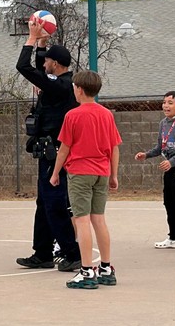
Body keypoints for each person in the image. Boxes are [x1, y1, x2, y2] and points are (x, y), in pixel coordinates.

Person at [14, 14, 81, 272]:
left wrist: (31, 39)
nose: (45, 64)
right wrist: (42, 44)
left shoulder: (62, 87)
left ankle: (71, 252)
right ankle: (42, 252)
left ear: (56, 63)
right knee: (43, 202)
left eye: (48, 60)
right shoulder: (60, 81)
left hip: (56, 152)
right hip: (47, 149)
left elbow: (25, 68)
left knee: (53, 203)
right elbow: (42, 70)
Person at [49, 70, 121, 289]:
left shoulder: (73, 115)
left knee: (81, 220)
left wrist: (54, 173)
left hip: (80, 172)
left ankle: (87, 270)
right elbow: (114, 147)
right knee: (98, 219)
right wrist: (114, 174)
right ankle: (106, 268)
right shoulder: (106, 114)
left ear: (79, 89)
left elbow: (64, 148)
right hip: (102, 171)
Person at [134, 91, 175, 252]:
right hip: (169, 168)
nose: (166, 105)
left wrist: (171, 162)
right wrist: (147, 155)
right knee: (169, 203)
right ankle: (174, 238)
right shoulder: (163, 123)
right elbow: (160, 146)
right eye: (164, 102)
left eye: (170, 103)